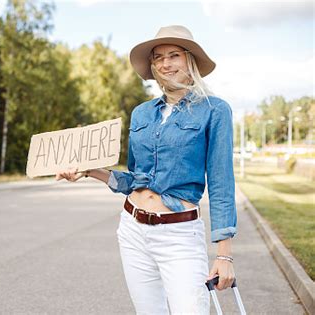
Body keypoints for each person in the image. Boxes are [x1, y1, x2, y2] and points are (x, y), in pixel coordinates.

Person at [56, 25, 237, 315]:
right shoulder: (141, 113)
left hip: (179, 235)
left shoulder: (214, 110)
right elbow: (135, 180)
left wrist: (224, 256)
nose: (165, 63)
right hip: (132, 230)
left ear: (190, 60)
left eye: (173, 55)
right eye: (158, 58)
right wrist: (89, 170)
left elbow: (221, 183)